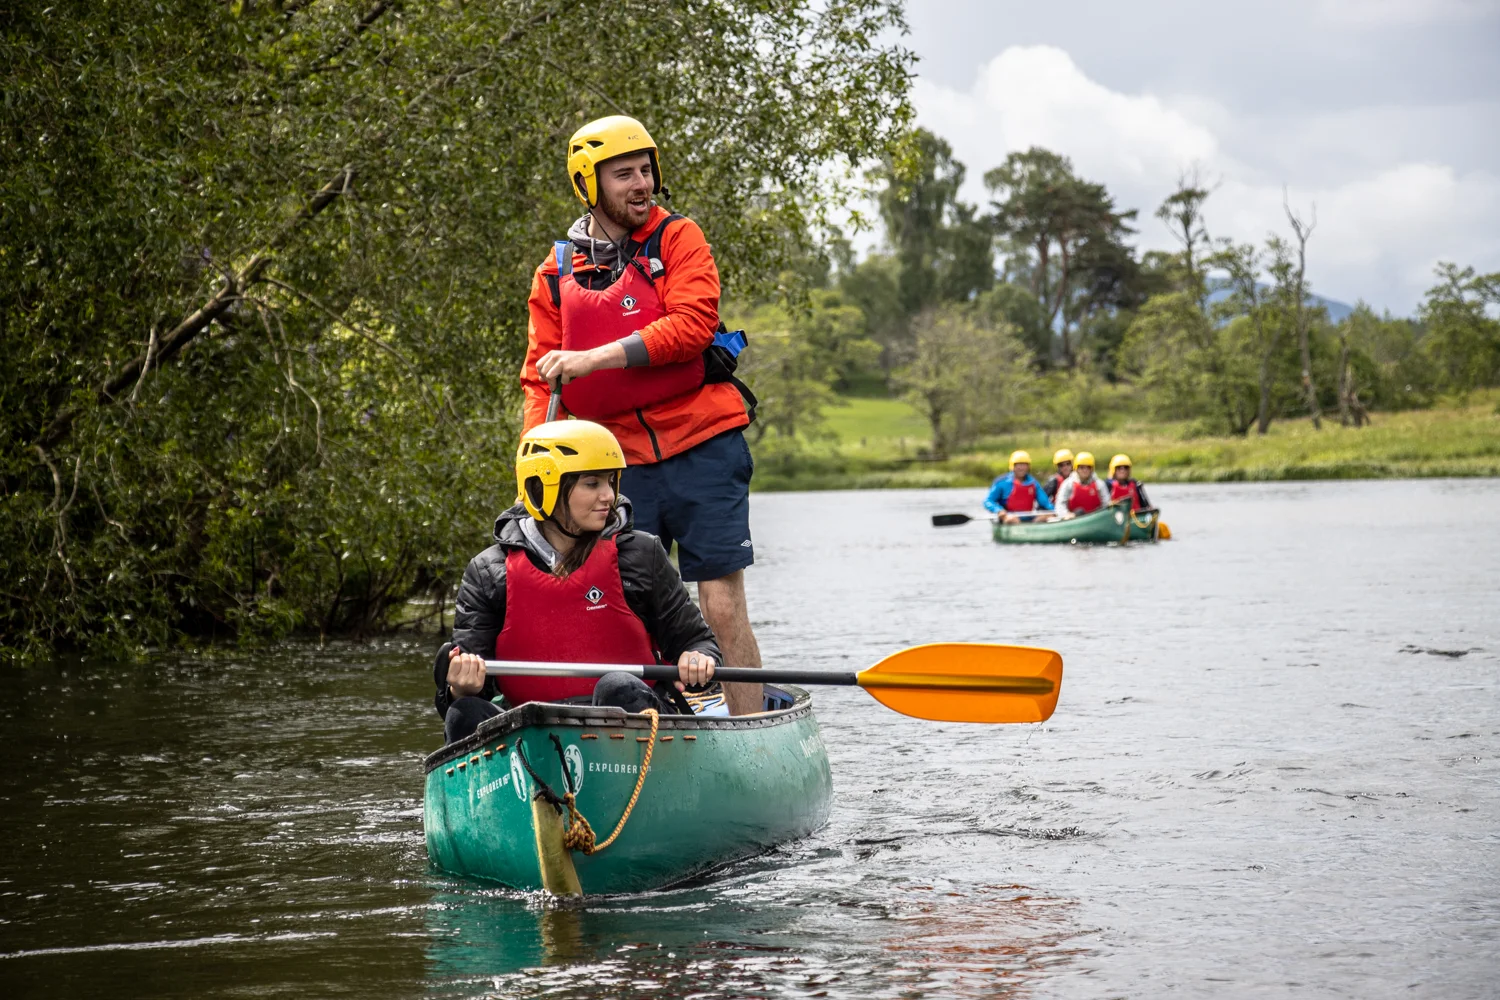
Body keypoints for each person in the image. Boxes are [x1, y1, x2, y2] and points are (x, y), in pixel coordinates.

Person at [521, 115, 763, 715]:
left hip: (705, 440)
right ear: (588, 183)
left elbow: (692, 325)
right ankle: (654, 732)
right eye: (623, 173)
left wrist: (593, 358)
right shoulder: (555, 272)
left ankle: (752, 730)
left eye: (646, 169)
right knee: (631, 609)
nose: (641, 183)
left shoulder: (679, 238)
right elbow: (538, 377)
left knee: (721, 603)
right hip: (620, 463)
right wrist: (533, 464)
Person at [435, 420, 722, 746]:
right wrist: (460, 687)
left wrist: (699, 658)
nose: (608, 496)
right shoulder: (488, 571)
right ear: (543, 488)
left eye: (610, 482)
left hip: (631, 724)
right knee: (464, 712)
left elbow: (698, 641)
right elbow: (470, 684)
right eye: (591, 483)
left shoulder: (641, 555)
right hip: (532, 731)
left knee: (617, 685)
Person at [983, 450, 1055, 523]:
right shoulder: (1002, 482)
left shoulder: (1033, 483)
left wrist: (1055, 511)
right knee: (1012, 520)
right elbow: (988, 501)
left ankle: (1032, 530)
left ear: (1028, 466)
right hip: (1008, 518)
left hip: (1029, 518)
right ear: (1012, 466)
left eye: (1024, 465)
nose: (1021, 468)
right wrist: (998, 510)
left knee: (1048, 516)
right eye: (1018, 465)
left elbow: (1045, 502)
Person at [1053, 451, 1109, 517]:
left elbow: (1106, 503)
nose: (1085, 470)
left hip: (1096, 517)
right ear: (1076, 469)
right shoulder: (1068, 484)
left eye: (1088, 467)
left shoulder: (1099, 484)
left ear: (1092, 469)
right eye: (1081, 467)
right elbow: (1060, 504)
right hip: (1074, 519)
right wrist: (1066, 515)